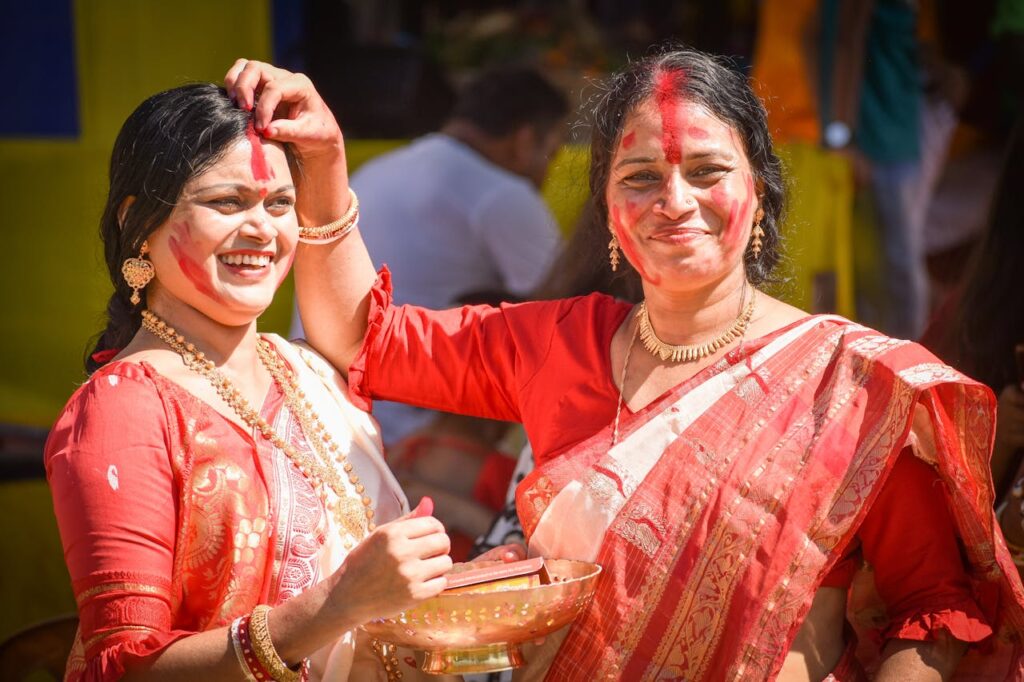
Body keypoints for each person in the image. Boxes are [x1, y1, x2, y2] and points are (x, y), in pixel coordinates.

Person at [232, 47, 1024, 680]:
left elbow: (932, 609)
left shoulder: (853, 383)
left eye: (707, 171)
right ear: (610, 215)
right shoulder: (558, 342)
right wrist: (326, 165)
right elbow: (359, 338)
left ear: (760, 196)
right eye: (641, 177)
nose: (674, 200)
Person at [44, 80, 458, 680]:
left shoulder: (304, 369)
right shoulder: (124, 407)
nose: (263, 230)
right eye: (228, 202)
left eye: (280, 204)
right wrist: (335, 605)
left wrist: (451, 587)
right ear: (139, 224)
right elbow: (124, 669)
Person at [292, 65, 568, 449]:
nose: (547, 172)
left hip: (313, 410)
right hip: (404, 435)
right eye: (550, 154)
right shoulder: (503, 193)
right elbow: (569, 316)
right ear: (524, 141)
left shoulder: (375, 170)